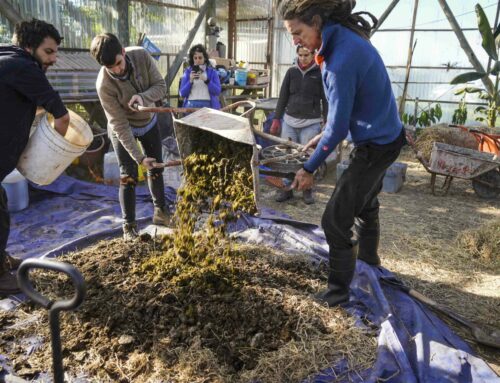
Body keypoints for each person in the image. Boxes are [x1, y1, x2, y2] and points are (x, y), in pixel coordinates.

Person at [280, 0, 405, 306]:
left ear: (317, 22)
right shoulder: (346, 38)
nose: (294, 40)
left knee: (334, 221)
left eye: (297, 32)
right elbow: (343, 114)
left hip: (376, 146)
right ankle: (370, 260)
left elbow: (338, 127)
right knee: (366, 202)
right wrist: (324, 134)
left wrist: (308, 168)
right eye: (291, 34)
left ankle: (336, 294)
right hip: (388, 137)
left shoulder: (339, 60)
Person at [0, 19, 70, 296]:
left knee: (1, 206)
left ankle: (0, 258)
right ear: (30, 47)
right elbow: (62, 118)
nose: (54, 58)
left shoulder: (6, 56)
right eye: (49, 51)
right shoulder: (25, 67)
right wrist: (47, 156)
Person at [90, 33, 170, 241]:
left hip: (149, 121)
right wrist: (140, 158)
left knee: (157, 168)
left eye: (118, 63)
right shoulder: (103, 85)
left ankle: (161, 213)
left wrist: (142, 97)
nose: (117, 70)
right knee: (128, 176)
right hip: (123, 128)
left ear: (123, 52)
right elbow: (119, 125)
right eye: (111, 68)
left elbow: (161, 86)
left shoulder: (142, 56)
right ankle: (129, 227)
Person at [270, 46, 328, 204]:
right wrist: (277, 118)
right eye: (300, 55)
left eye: (306, 55)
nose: (303, 58)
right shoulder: (291, 72)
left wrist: (327, 120)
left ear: (313, 54)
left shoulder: (319, 73)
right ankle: (286, 189)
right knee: (287, 158)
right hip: (289, 121)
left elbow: (326, 99)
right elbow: (283, 96)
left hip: (311, 123)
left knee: (306, 157)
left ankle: (307, 190)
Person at [179, 44, 222, 110]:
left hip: (208, 106)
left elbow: (217, 91)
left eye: (200, 57)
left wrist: (207, 81)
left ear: (205, 58)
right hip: (191, 106)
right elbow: (182, 93)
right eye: (195, 58)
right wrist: (190, 81)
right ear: (192, 59)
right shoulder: (187, 72)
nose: (198, 60)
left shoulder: (212, 72)